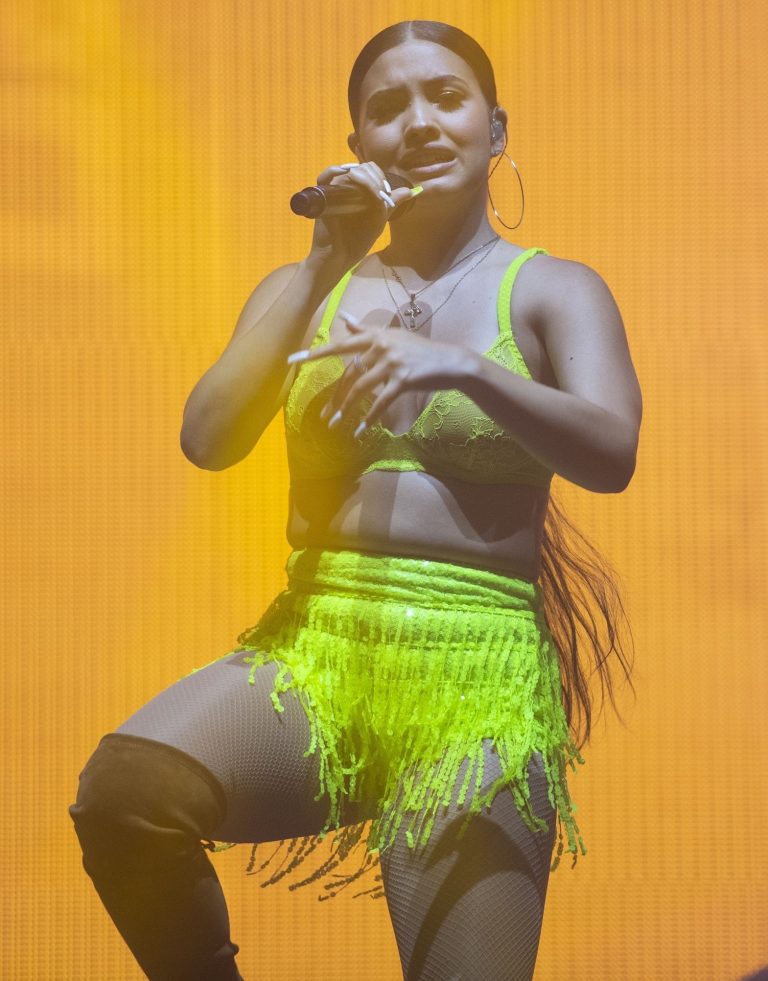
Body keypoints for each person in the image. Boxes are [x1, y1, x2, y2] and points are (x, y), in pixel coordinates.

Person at [68, 19, 642, 981]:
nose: (418, 123)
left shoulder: (552, 291)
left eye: (447, 98)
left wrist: (463, 366)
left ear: (495, 131)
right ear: (357, 147)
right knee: (128, 792)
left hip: (478, 678)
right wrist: (321, 264)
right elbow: (208, 439)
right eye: (387, 109)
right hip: (318, 648)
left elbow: (612, 452)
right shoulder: (310, 287)